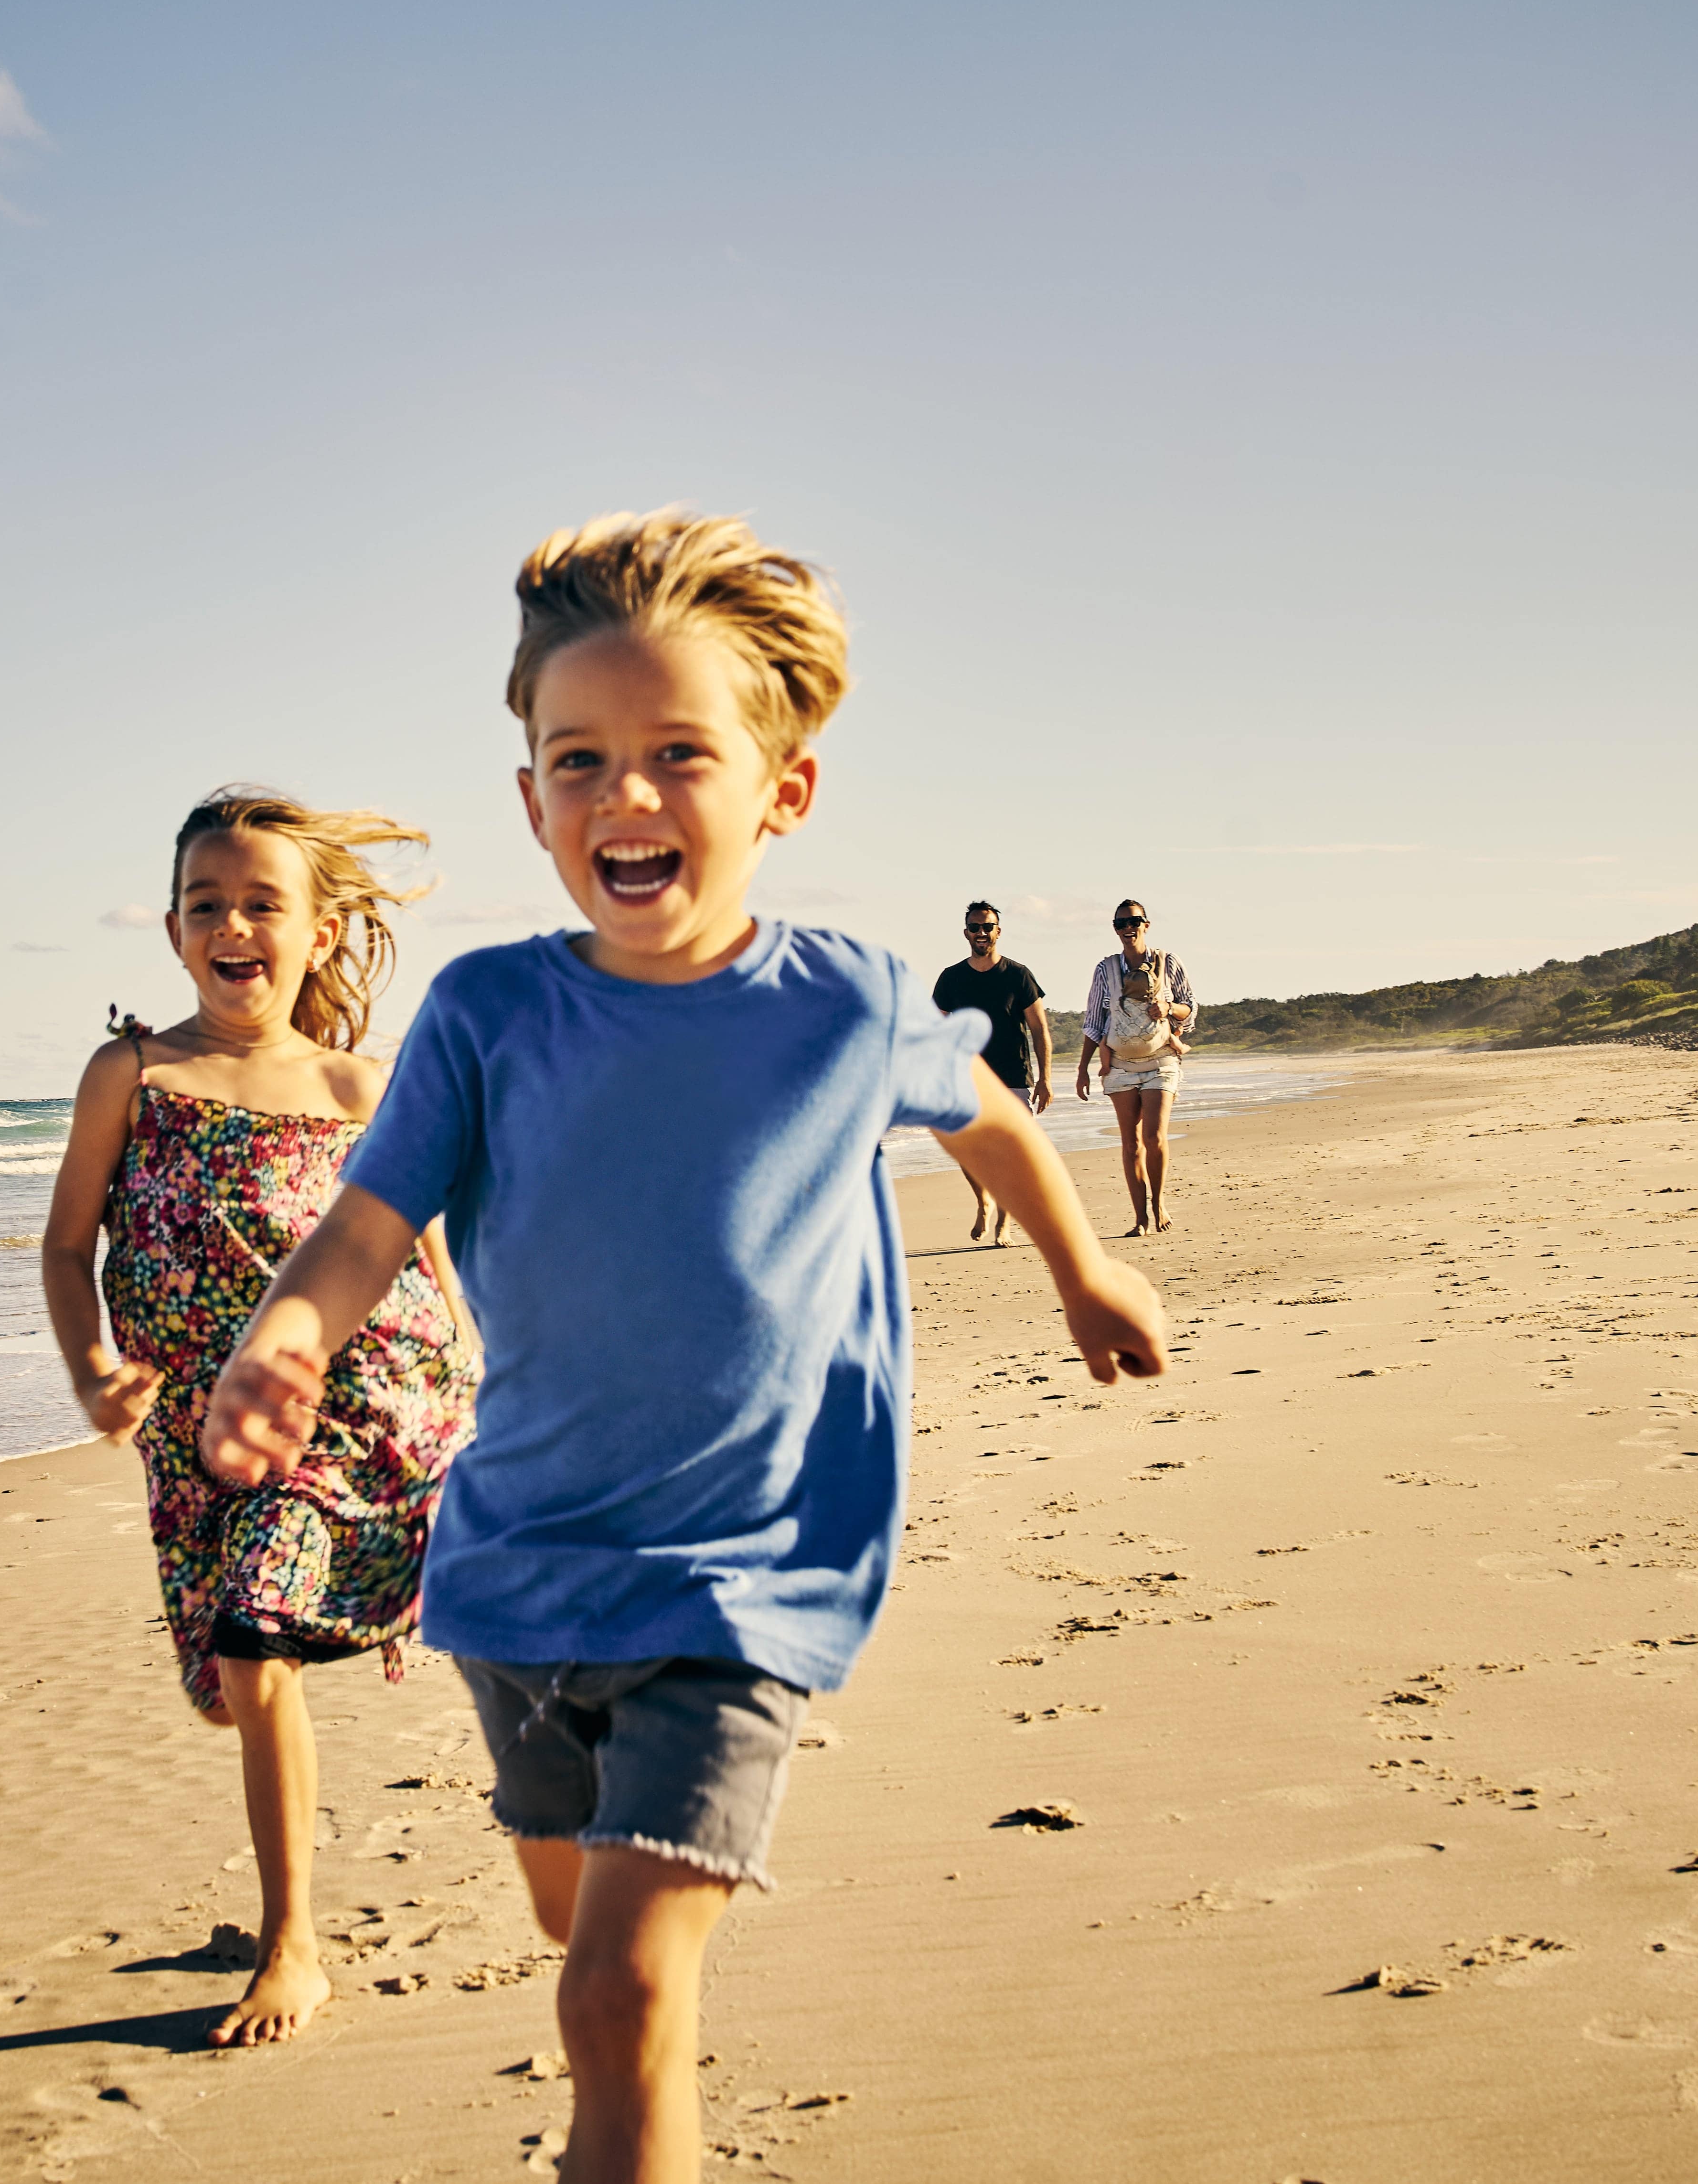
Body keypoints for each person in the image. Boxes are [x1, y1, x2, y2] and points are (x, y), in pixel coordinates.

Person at [195, 514, 1171, 2184]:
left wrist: (1083, 1272)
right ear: (530, 801)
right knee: (599, 1978)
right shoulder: (491, 1012)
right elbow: (368, 1221)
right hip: (516, 1578)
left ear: (782, 792)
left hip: (744, 1577)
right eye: (579, 761)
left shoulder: (842, 1001)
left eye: (676, 757)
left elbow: (992, 1112)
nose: (623, 798)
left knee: (617, 1995)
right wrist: (286, 1333)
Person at [38, 787, 479, 2049]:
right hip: (193, 1432)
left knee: (254, 1639)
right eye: (207, 904)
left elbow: (431, 1261)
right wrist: (91, 1368)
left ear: (321, 931)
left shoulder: (357, 1084)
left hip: (353, 1407)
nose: (234, 924)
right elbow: (70, 1247)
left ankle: (296, 1945)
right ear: (176, 930)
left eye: (262, 903)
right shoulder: (132, 1073)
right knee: (230, 1684)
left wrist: (477, 1367)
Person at [1074, 899, 1196, 1237]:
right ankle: (1140, 1217)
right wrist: (1083, 1069)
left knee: (1154, 1136)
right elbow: (1094, 1022)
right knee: (1131, 1144)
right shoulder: (1106, 969)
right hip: (1120, 1065)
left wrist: (1169, 1007)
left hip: (1161, 1061)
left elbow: (1190, 1006)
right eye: (1121, 924)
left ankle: (1157, 1205)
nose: (1129, 928)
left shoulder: (1168, 962)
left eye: (1135, 921)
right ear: (1115, 929)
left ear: (1147, 924)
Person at [930, 900, 1050, 1244]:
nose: (981, 933)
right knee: (968, 1149)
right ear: (966, 932)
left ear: (998, 931)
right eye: (975, 927)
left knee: (1011, 1154)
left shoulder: (1018, 975)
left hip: (1014, 1077)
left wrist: (1044, 1079)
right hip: (967, 1079)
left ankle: (1004, 1222)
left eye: (988, 927)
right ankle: (983, 1201)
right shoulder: (951, 978)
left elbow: (1039, 1029)